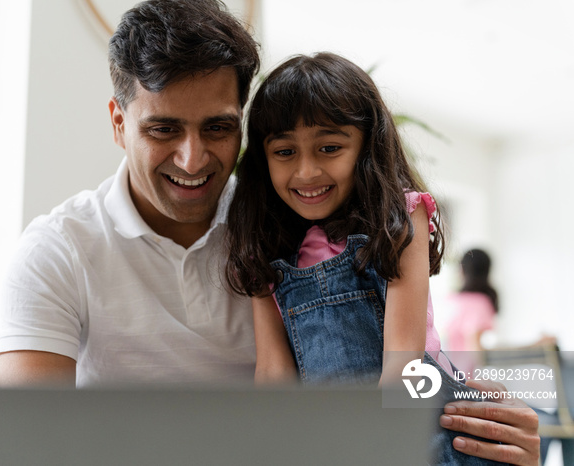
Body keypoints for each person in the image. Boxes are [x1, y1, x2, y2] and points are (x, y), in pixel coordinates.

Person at [0, 1, 539, 464]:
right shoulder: (58, 251)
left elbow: (406, 363)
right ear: (118, 123)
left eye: (219, 127)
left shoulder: (276, 224)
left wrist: (497, 429)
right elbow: (21, 445)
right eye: (163, 129)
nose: (192, 157)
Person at [223, 52, 536, 464]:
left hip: (422, 426)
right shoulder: (265, 248)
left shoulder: (402, 218)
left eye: (329, 147)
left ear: (366, 145)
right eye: (284, 152)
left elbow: (402, 365)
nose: (306, 171)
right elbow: (273, 372)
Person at [446, 248, 498, 353]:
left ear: (462, 270)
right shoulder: (481, 302)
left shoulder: (452, 299)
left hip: (450, 365)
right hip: (468, 368)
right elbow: (474, 346)